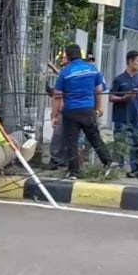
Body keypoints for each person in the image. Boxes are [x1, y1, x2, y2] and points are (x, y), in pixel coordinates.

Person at [51, 44, 115, 180]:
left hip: (71, 111)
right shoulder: (93, 69)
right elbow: (99, 90)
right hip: (88, 110)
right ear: (80, 55)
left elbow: (57, 96)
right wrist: (98, 108)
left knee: (71, 141)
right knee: (94, 137)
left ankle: (74, 172)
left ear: (67, 57)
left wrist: (54, 116)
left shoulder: (65, 72)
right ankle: (108, 162)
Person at [109, 50, 138, 175]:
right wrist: (123, 98)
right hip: (121, 117)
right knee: (120, 142)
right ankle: (118, 168)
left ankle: (135, 169)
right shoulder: (119, 79)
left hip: (136, 117)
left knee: (136, 143)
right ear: (130, 61)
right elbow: (111, 97)